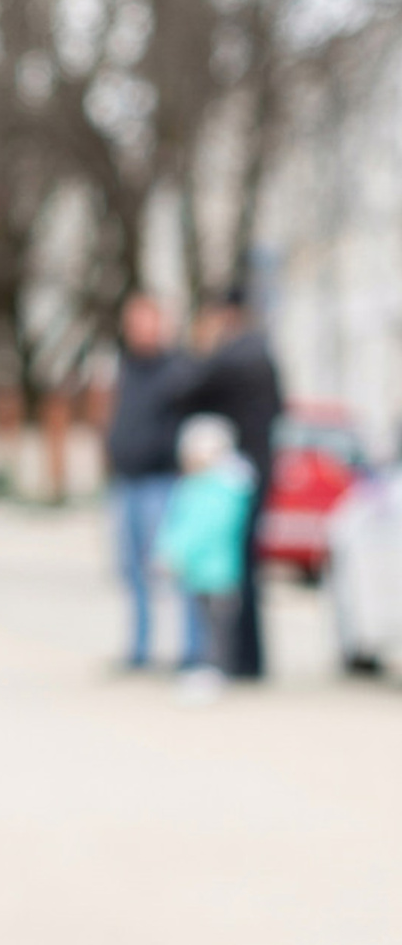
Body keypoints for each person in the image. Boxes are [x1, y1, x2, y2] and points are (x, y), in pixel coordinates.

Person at [181, 287, 283, 681]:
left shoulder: (229, 356)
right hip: (257, 471)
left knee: (224, 570)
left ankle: (229, 659)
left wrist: (201, 348)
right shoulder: (264, 355)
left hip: (231, 480)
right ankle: (251, 660)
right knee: (247, 568)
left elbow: (185, 391)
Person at [105, 293, 191, 670]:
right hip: (126, 482)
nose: (141, 329)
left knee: (174, 568)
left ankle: (193, 650)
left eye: (148, 321)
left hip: (162, 482)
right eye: (135, 322)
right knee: (130, 571)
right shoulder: (124, 367)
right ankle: (139, 649)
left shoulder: (179, 369)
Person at [157, 415, 256, 701]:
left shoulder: (224, 489)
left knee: (219, 626)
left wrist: (177, 551)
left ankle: (217, 670)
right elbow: (177, 522)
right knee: (203, 622)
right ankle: (205, 667)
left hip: (218, 572)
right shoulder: (193, 486)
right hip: (197, 571)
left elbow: (204, 527)